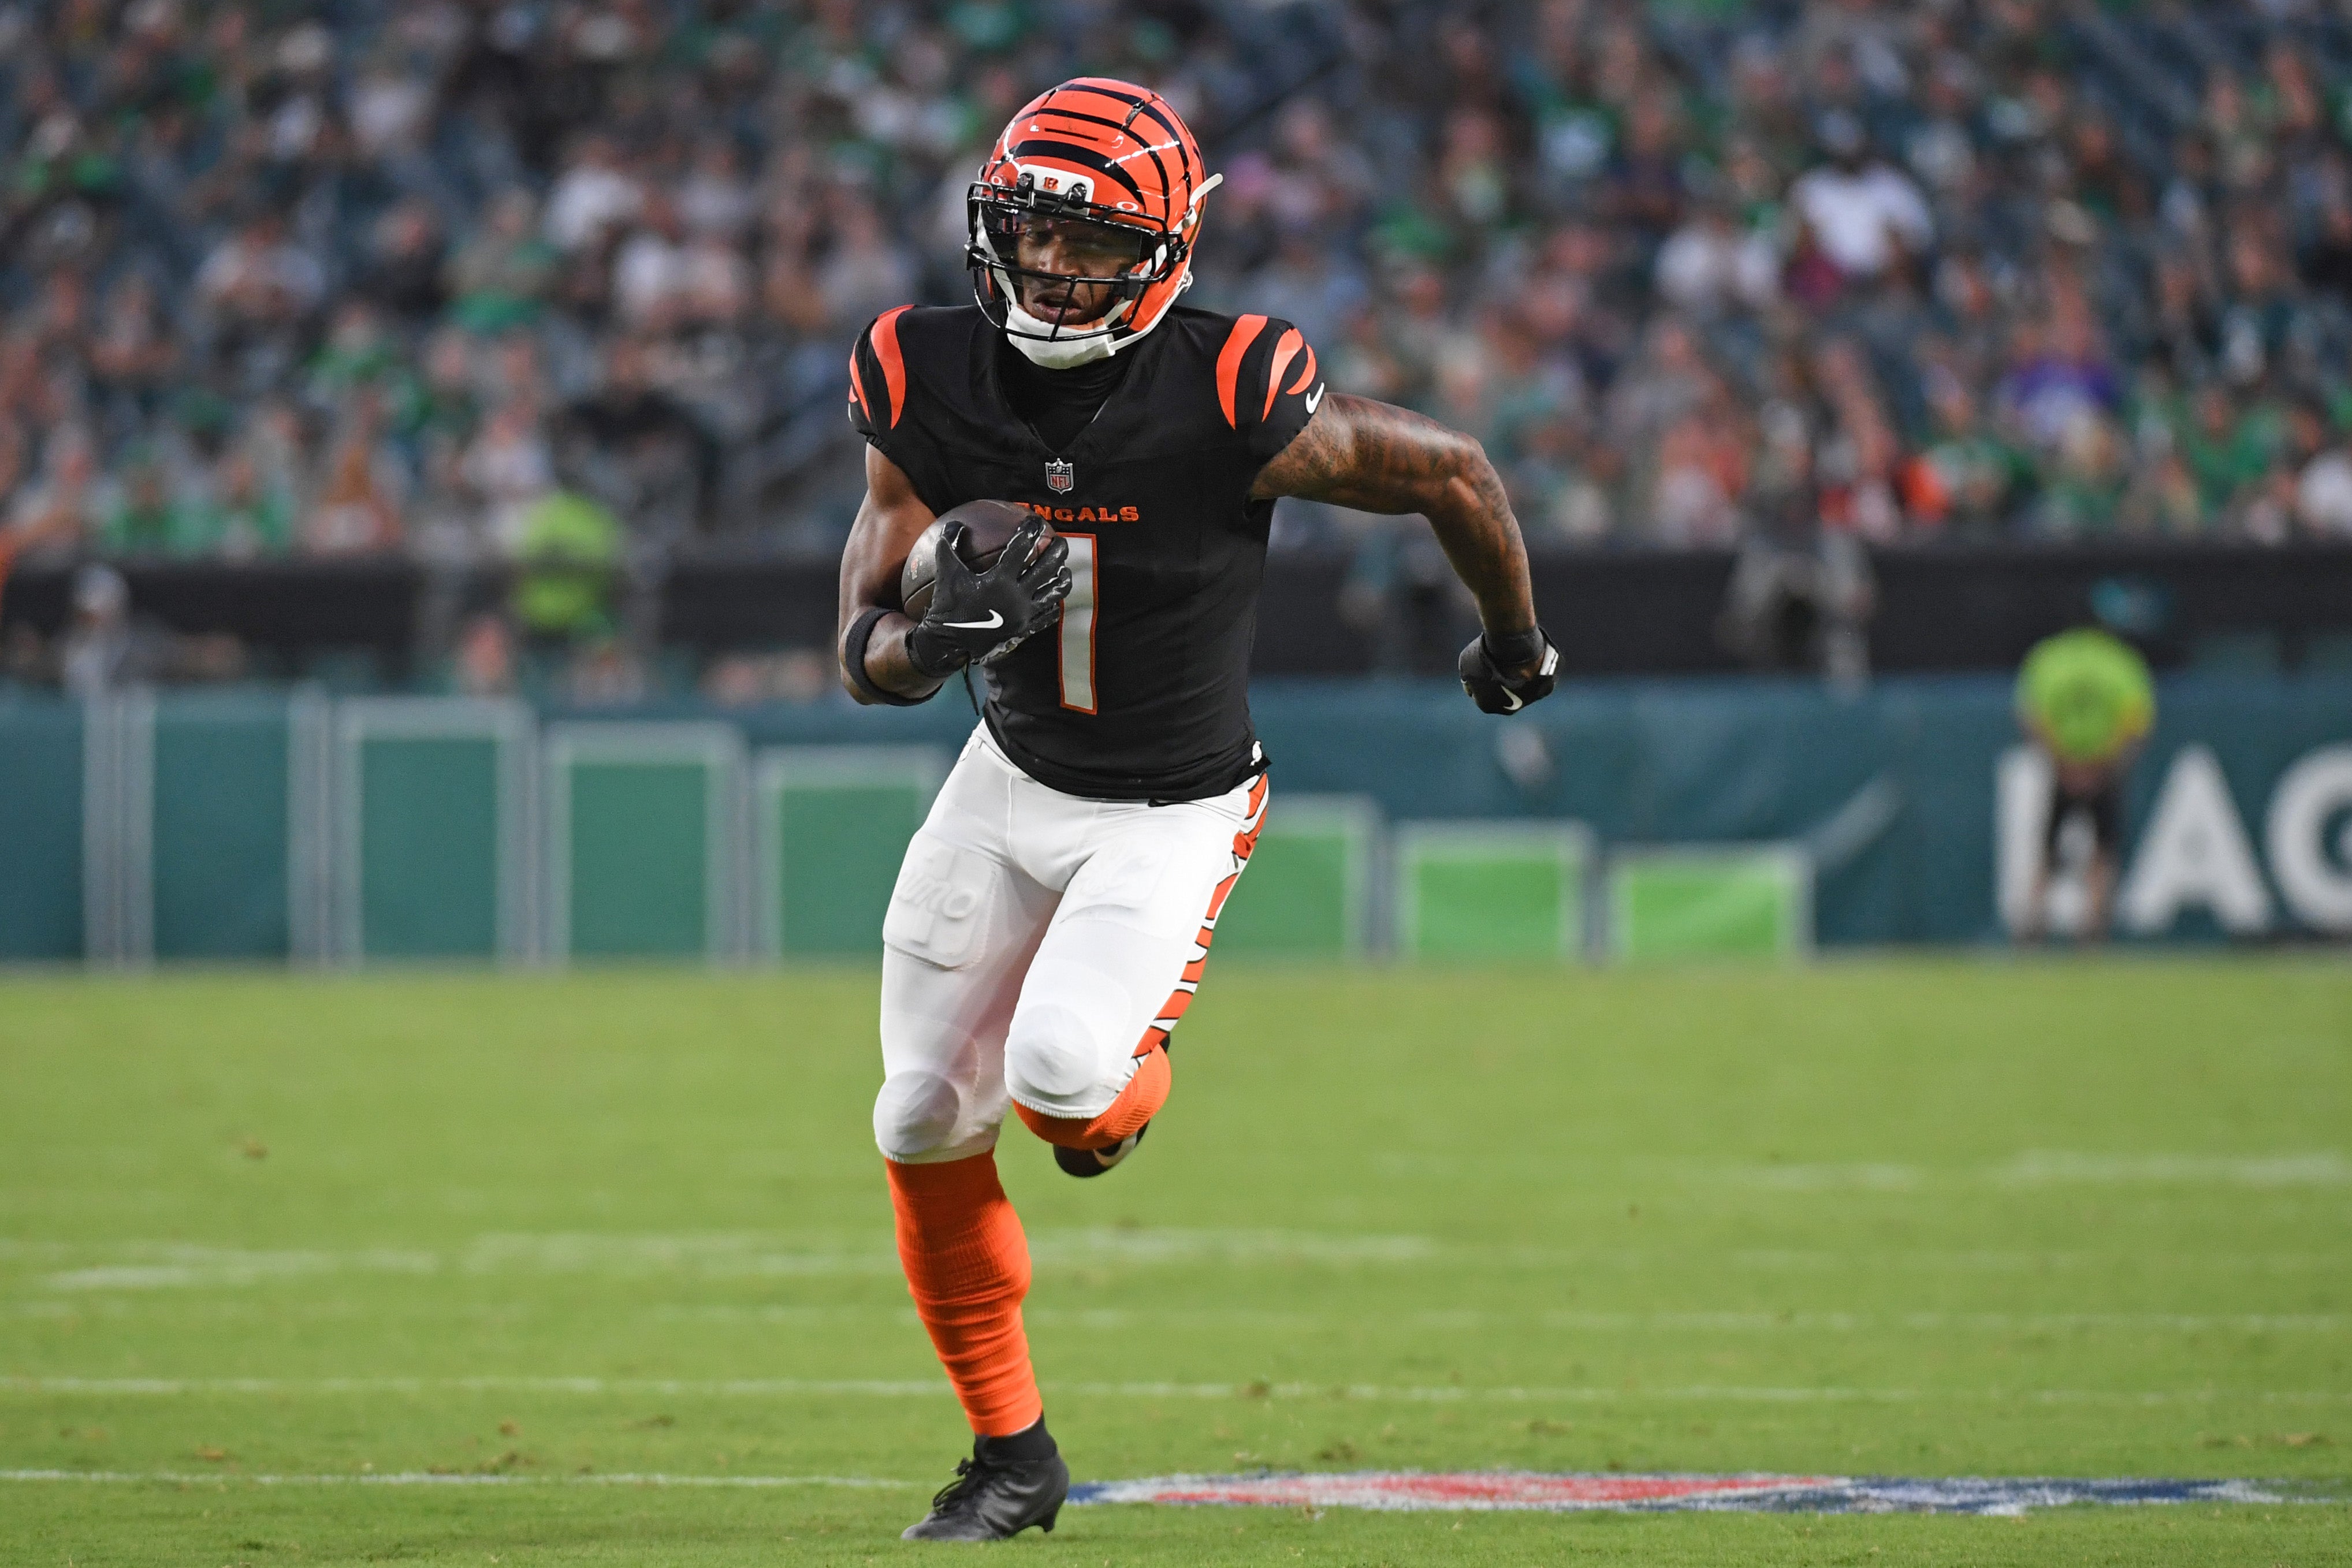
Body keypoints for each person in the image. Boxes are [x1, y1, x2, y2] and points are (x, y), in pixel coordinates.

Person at [832, 80, 1560, 1543]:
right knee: (914, 1113)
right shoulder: (921, 371)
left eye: (1093, 245)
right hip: (1006, 778)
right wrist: (939, 640)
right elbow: (861, 649)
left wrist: (1513, 642)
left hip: (1168, 804)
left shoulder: (1230, 388)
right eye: (1034, 233)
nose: (1053, 268)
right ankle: (1012, 1457)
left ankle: (1128, 1073)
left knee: (1063, 1085)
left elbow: (1451, 471)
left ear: (1162, 253)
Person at [2014, 626, 2156, 943]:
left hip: (2065, 769)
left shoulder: (2050, 657)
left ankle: (2035, 924)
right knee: (2101, 851)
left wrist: (2062, 764)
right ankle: (2091, 929)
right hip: (2102, 770)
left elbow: (2030, 716)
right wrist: (2103, 768)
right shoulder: (2121, 661)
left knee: (2049, 849)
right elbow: (2138, 724)